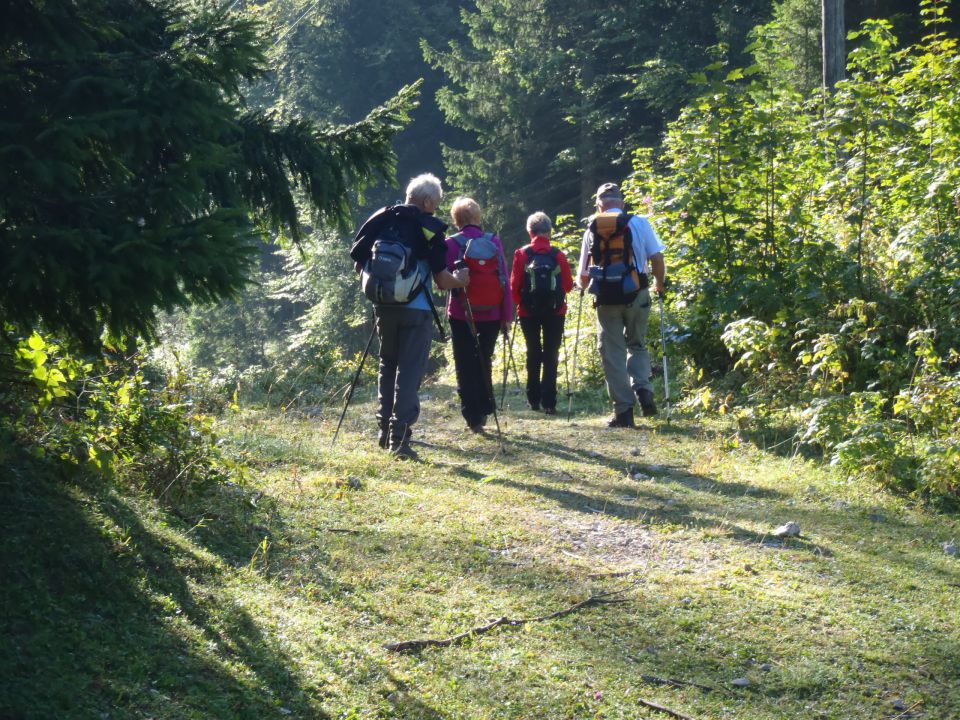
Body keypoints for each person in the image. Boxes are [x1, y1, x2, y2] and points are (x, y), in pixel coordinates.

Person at [350, 173, 469, 459]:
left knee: (388, 364)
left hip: (383, 306)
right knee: (409, 371)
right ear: (426, 200)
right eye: (437, 203)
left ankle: (383, 431)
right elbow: (442, 280)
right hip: (416, 310)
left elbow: (358, 262)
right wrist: (461, 280)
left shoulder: (380, 218)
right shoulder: (429, 228)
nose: (437, 208)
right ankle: (400, 439)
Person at [577, 182, 666, 428]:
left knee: (612, 353)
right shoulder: (638, 223)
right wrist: (660, 284)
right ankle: (644, 391)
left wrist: (584, 287)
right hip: (637, 293)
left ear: (598, 205)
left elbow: (584, 277)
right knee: (637, 344)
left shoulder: (592, 229)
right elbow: (657, 257)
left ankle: (624, 412)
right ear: (622, 203)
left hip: (606, 298)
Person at [445, 197, 514, 432]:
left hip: (462, 313)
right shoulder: (493, 241)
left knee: (465, 363)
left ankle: (472, 416)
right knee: (484, 359)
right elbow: (504, 279)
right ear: (477, 217)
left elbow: (444, 279)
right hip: (492, 313)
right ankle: (485, 409)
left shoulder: (451, 243)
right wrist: (506, 316)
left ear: (457, 220)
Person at [509, 212, 574, 414]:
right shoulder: (558, 255)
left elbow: (514, 287)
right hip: (556, 312)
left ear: (530, 232)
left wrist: (524, 304)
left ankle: (533, 398)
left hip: (529, 312)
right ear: (549, 232)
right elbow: (569, 286)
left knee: (533, 352)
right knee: (551, 354)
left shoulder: (522, 254)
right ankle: (550, 403)